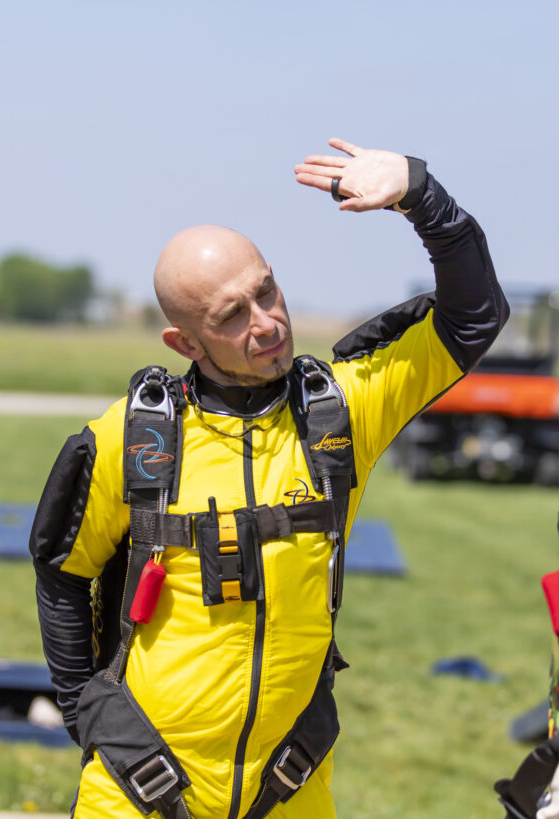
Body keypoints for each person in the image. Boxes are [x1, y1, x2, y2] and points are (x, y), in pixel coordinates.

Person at [30, 138, 508, 818]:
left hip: (289, 789)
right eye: (232, 315)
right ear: (185, 343)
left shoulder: (341, 413)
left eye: (267, 290)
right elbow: (61, 570)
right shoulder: (134, 440)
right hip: (136, 792)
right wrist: (92, 717)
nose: (268, 323)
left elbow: (474, 317)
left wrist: (419, 194)